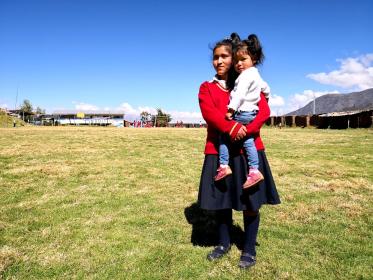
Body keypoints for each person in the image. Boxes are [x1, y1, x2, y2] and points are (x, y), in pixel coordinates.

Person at [198, 34, 281, 269]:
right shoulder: (206, 88)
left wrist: (246, 130)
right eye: (216, 57)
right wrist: (233, 127)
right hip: (219, 150)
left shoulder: (247, 82)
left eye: (225, 56)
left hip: (248, 150)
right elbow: (211, 115)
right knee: (223, 200)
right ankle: (223, 243)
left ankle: (249, 247)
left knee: (250, 200)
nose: (219, 61)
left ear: (234, 58)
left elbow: (264, 111)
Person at [216, 34, 269, 190]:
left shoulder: (245, 76)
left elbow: (238, 95)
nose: (239, 64)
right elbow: (266, 88)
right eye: (236, 61)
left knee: (224, 137)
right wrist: (266, 97)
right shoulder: (256, 74)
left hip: (243, 112)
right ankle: (253, 170)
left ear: (253, 59)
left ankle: (224, 165)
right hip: (251, 112)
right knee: (248, 141)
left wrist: (230, 110)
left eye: (243, 60)